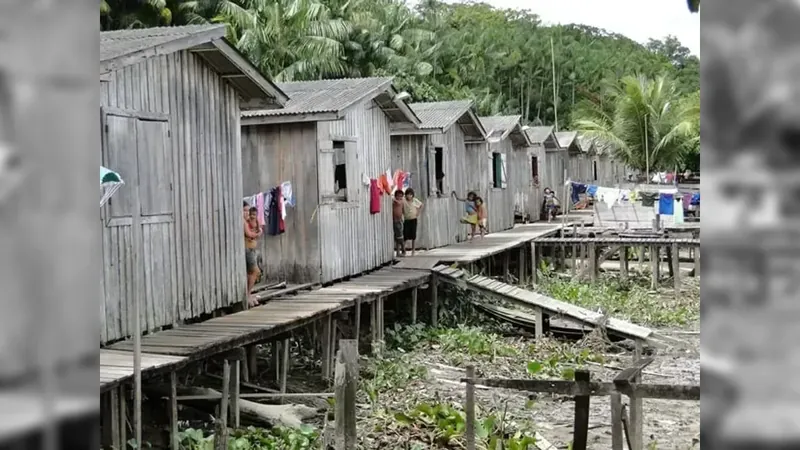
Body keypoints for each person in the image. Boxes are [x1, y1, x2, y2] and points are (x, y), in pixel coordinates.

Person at [243, 202, 262, 307]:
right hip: (248, 250)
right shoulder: (244, 222)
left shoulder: (248, 221)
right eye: (245, 210)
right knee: (255, 271)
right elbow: (249, 234)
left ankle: (248, 294)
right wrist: (258, 234)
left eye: (248, 211)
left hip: (251, 250)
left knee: (250, 273)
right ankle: (247, 294)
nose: (247, 213)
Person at [402, 188, 423, 256]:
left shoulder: (414, 201)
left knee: (413, 235)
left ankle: (413, 250)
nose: (409, 196)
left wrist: (418, 212)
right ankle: (403, 250)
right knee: (405, 235)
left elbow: (421, 205)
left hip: (413, 219)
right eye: (407, 194)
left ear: (412, 195)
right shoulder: (404, 201)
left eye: (410, 195)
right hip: (406, 219)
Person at [392, 189, 405, 257]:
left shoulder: (400, 202)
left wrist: (403, 218)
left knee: (400, 236)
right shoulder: (394, 202)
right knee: (397, 237)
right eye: (398, 196)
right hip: (394, 220)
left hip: (399, 220)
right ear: (395, 196)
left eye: (401, 196)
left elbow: (402, 209)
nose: (399, 198)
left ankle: (403, 249)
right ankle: (398, 252)